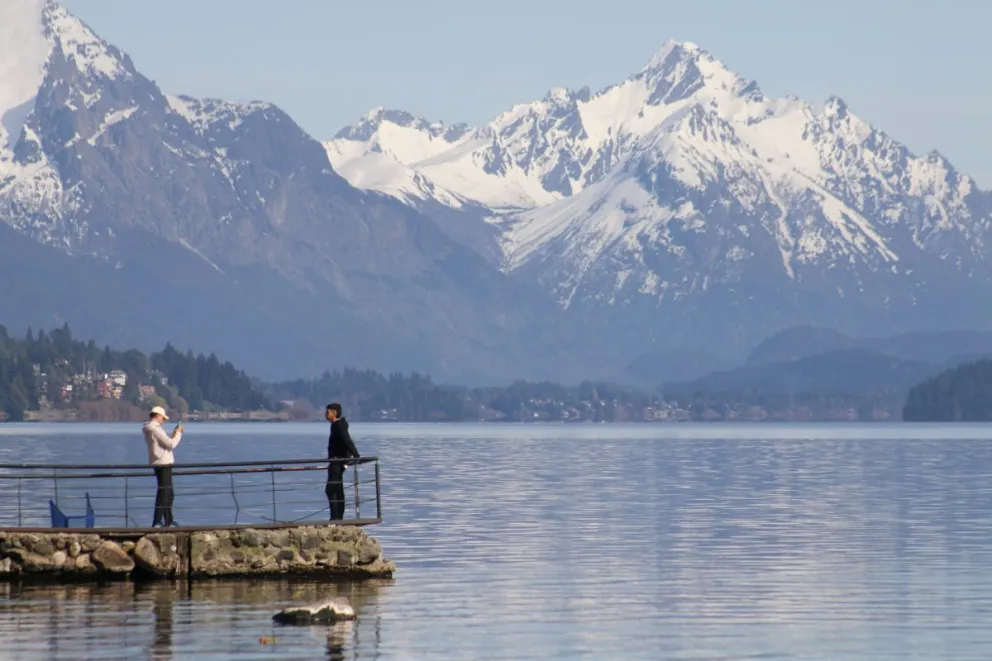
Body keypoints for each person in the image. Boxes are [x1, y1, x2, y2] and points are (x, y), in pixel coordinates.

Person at [142, 405, 183, 527]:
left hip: (159, 462)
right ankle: (158, 521)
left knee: (168, 493)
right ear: (158, 416)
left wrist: (173, 434)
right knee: (164, 492)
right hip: (163, 463)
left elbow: (163, 442)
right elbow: (170, 445)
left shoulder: (150, 428)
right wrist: (178, 434)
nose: (163, 420)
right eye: (163, 418)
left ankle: (168, 520)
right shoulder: (155, 429)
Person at [325, 403, 360, 520]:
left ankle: (335, 518)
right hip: (338, 461)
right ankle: (338, 517)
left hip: (337, 462)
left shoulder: (338, 426)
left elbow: (347, 441)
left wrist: (355, 454)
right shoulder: (336, 425)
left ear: (334, 413)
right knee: (338, 490)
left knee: (331, 489)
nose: (326, 415)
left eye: (328, 412)